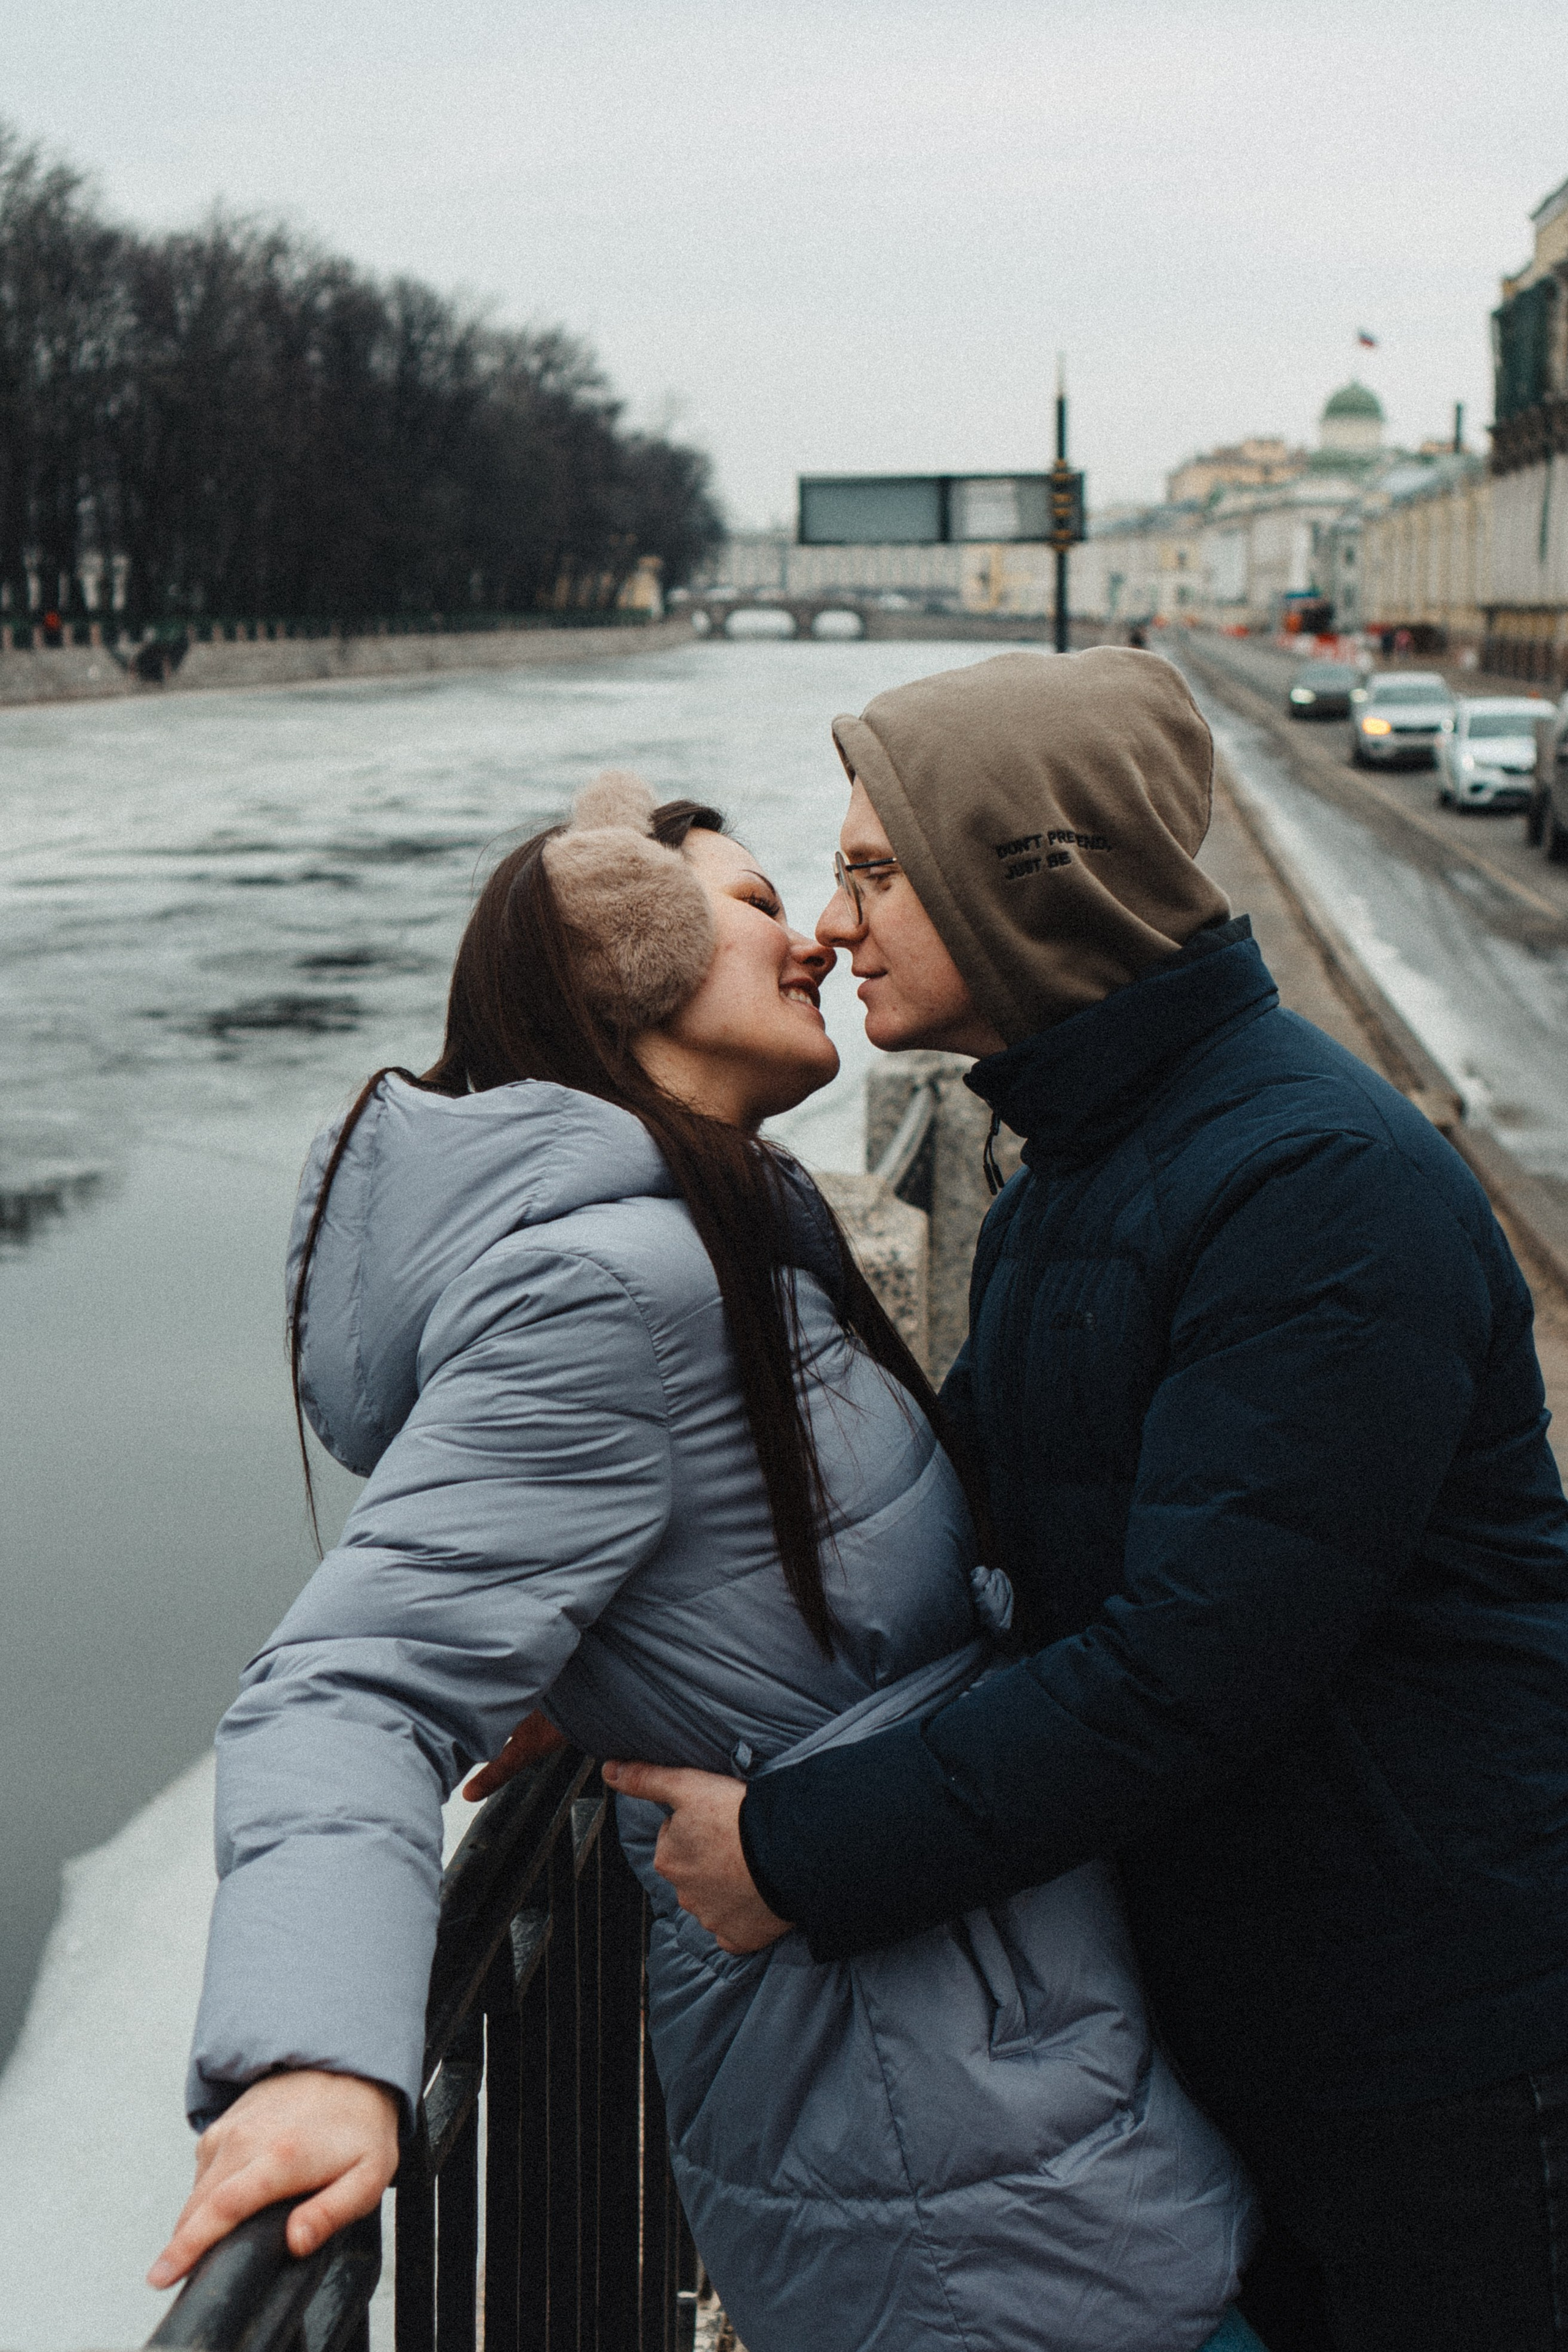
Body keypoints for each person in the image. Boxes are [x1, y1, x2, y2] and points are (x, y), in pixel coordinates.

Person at [152, 772, 1256, 2352]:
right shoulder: (621, 1293)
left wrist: (593, 1658)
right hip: (934, 2142)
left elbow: (693, 1564)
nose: (812, 938)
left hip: (985, 2074)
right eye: (754, 909)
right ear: (627, 964)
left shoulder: (726, 1230)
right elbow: (351, 1686)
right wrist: (317, 2054)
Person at [603, 650, 1568, 2352]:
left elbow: (1187, 1673)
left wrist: (796, 1855)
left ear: (1027, 876)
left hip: (1445, 2040)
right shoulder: (1096, 1158)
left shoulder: (1311, 1187)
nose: (831, 925)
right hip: (1270, 1995)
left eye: (877, 872)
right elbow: (932, 1515)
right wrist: (589, 1653)